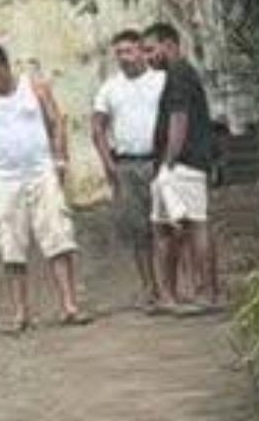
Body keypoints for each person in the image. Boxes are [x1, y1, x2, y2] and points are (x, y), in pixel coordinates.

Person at [0, 42, 89, 331]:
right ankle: (21, 314)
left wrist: (60, 162)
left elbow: (57, 123)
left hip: (41, 173)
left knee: (58, 237)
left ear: (4, 66)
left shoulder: (35, 89)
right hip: (6, 181)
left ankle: (69, 306)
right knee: (11, 245)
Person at [143, 22, 220, 313]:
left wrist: (169, 162)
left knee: (194, 225)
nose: (148, 57)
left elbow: (179, 119)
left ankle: (206, 293)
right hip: (174, 163)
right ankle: (168, 296)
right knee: (162, 228)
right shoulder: (178, 74)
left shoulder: (178, 74)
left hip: (182, 163)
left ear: (169, 45)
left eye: (151, 50)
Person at [91, 30, 166, 311]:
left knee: (170, 226)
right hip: (126, 164)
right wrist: (108, 164)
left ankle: (174, 286)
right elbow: (97, 126)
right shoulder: (110, 88)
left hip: (160, 161)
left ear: (141, 51)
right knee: (139, 231)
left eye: (129, 51)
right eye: (119, 53)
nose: (124, 58)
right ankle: (150, 288)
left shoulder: (161, 81)